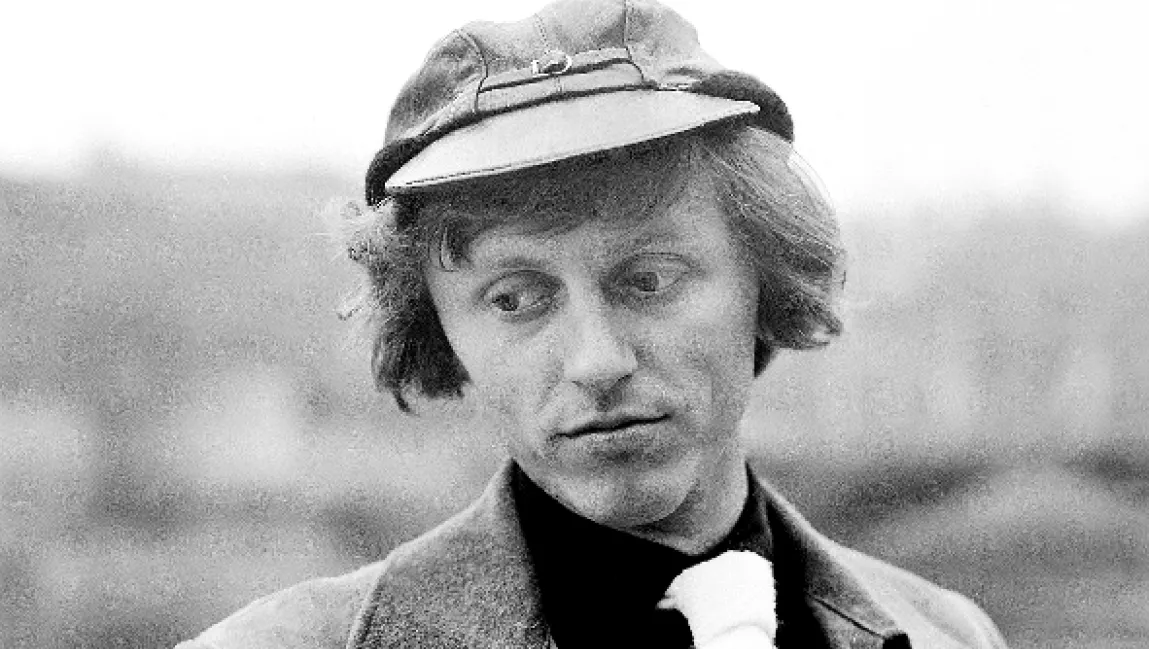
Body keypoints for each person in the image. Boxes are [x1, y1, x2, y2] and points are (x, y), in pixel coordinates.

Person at [177, 0, 1009, 647]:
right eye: (514, 298)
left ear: (765, 278)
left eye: (650, 279)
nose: (596, 360)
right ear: (441, 333)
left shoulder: (950, 634)